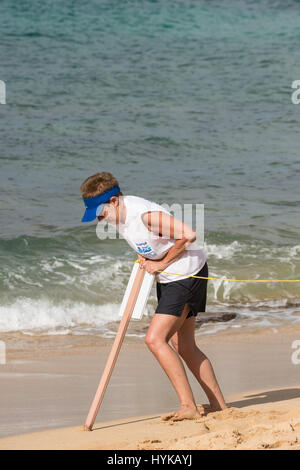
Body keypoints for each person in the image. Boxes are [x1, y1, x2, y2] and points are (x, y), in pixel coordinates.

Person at [80, 171, 227, 421]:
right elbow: (153, 244)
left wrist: (160, 264)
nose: (100, 218)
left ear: (114, 201)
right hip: (171, 277)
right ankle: (219, 406)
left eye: (101, 211)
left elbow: (188, 234)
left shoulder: (145, 216)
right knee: (184, 345)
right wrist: (148, 257)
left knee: (154, 339)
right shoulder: (119, 217)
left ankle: (188, 406)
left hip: (187, 273)